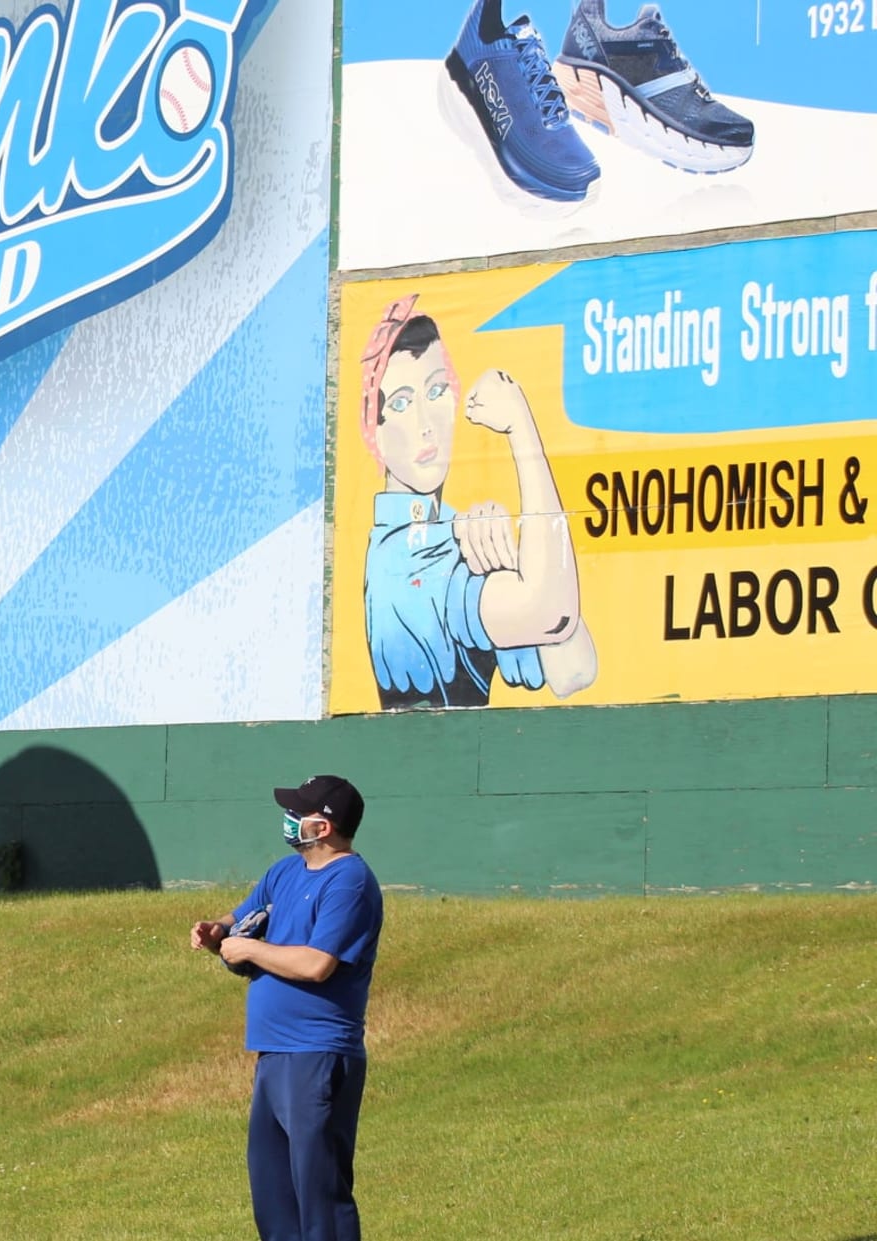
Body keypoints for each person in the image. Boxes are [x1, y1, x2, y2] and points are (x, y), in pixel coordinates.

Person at [355, 293, 597, 709]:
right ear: (372, 430)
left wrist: (512, 565)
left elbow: (574, 670)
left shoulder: (449, 532)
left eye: (435, 391)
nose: (424, 425)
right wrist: (521, 428)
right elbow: (550, 615)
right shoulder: (403, 558)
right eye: (399, 403)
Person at [191, 774, 383, 1241]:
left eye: (300, 812)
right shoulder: (284, 872)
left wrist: (250, 952)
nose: (290, 818)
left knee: (320, 1196)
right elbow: (238, 919)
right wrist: (216, 931)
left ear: (323, 827)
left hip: (317, 1054)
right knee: (274, 1195)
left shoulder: (350, 881)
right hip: (275, 1052)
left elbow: (317, 964)